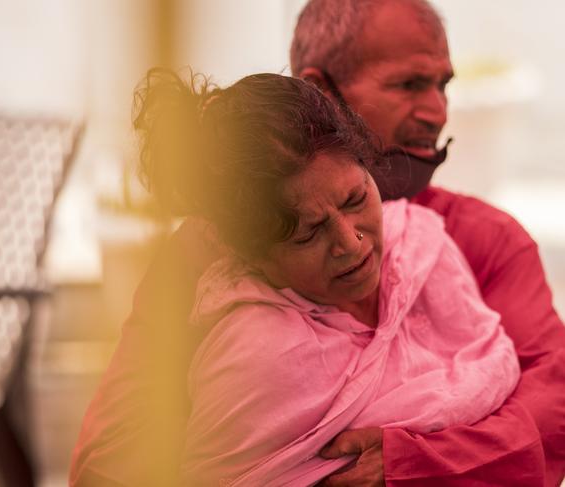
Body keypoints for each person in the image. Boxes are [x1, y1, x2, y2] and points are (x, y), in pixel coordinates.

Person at [71, 0, 565, 485]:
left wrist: (414, 464)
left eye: (443, 85)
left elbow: (554, 412)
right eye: (409, 84)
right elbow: (114, 455)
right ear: (321, 91)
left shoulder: (480, 239)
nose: (438, 112)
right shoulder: (207, 258)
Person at [129, 68, 521, 486]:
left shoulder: (424, 251)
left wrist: (420, 462)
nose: (350, 243)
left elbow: (526, 398)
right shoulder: (257, 356)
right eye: (309, 233)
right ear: (252, 256)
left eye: (356, 198)